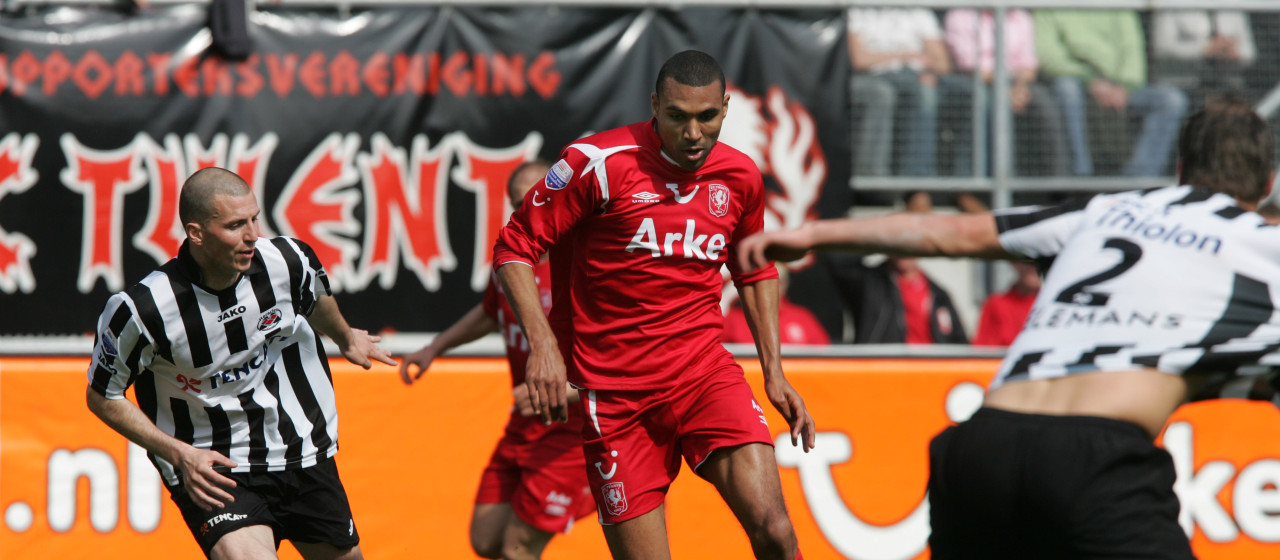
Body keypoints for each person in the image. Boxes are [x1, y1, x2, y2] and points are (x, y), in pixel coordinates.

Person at [738, 96, 1275, 558]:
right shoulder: (1264, 248)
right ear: (1269, 183)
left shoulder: (1106, 211)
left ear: (1180, 167)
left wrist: (814, 233)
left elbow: (949, 233)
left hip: (980, 449)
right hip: (1097, 461)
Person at [492, 50, 816, 560]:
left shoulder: (740, 177)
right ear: (654, 106)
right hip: (615, 397)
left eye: (706, 117)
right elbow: (514, 248)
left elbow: (753, 269)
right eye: (677, 116)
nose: (693, 133)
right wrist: (545, 347)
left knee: (776, 532)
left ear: (725, 108)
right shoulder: (594, 164)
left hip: (703, 374)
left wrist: (774, 371)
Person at [85, 167, 396, 559]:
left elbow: (314, 298)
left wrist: (345, 337)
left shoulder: (288, 260)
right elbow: (103, 395)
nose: (252, 236)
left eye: (254, 219)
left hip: (299, 445)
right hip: (210, 461)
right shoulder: (142, 310)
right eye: (235, 225)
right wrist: (180, 454)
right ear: (196, 233)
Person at [399, 159, 595, 560]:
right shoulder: (511, 261)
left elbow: (623, 356)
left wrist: (562, 389)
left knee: (517, 549)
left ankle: (596, 487)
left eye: (541, 198)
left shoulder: (585, 264)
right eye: (520, 203)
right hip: (524, 424)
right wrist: (435, 347)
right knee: (485, 541)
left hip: (573, 436)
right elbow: (491, 311)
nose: (532, 209)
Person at [1034, 9, 1188, 177]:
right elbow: (1050, 56)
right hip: (1079, 82)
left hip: (1120, 85)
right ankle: (1080, 175)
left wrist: (1124, 87)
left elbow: (1132, 49)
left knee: (1171, 100)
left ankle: (1140, 177)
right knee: (1067, 88)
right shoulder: (1047, 6)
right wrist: (1090, 81)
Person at [847, 7, 976, 178]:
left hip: (918, 75)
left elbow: (942, 63)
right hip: (876, 75)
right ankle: (915, 183)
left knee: (970, 92)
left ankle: (965, 184)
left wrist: (928, 70)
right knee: (914, 93)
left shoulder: (919, 12)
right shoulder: (858, 11)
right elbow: (859, 59)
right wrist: (904, 56)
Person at [943, 8, 1069, 177]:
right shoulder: (960, 14)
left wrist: (1019, 86)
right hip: (977, 81)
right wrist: (1004, 87)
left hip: (1017, 82)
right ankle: (979, 181)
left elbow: (1029, 63)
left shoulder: (1020, 17)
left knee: (1043, 100)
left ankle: (1058, 180)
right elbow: (968, 63)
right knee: (987, 102)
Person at [1151, 10, 1256, 110]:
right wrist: (1205, 49)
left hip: (1228, 85)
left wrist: (1234, 53)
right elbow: (1163, 48)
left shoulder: (1234, 4)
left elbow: (1249, 53)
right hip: (1182, 85)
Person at [722, 266, 830, 346]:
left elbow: (826, 357)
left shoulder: (803, 317)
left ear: (785, 285)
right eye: (763, 282)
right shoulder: (732, 319)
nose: (771, 287)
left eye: (777, 282)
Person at [971, 260, 1040, 346]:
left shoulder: (1053, 303)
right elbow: (982, 350)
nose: (1033, 268)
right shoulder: (996, 304)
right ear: (1015, 264)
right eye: (1028, 262)